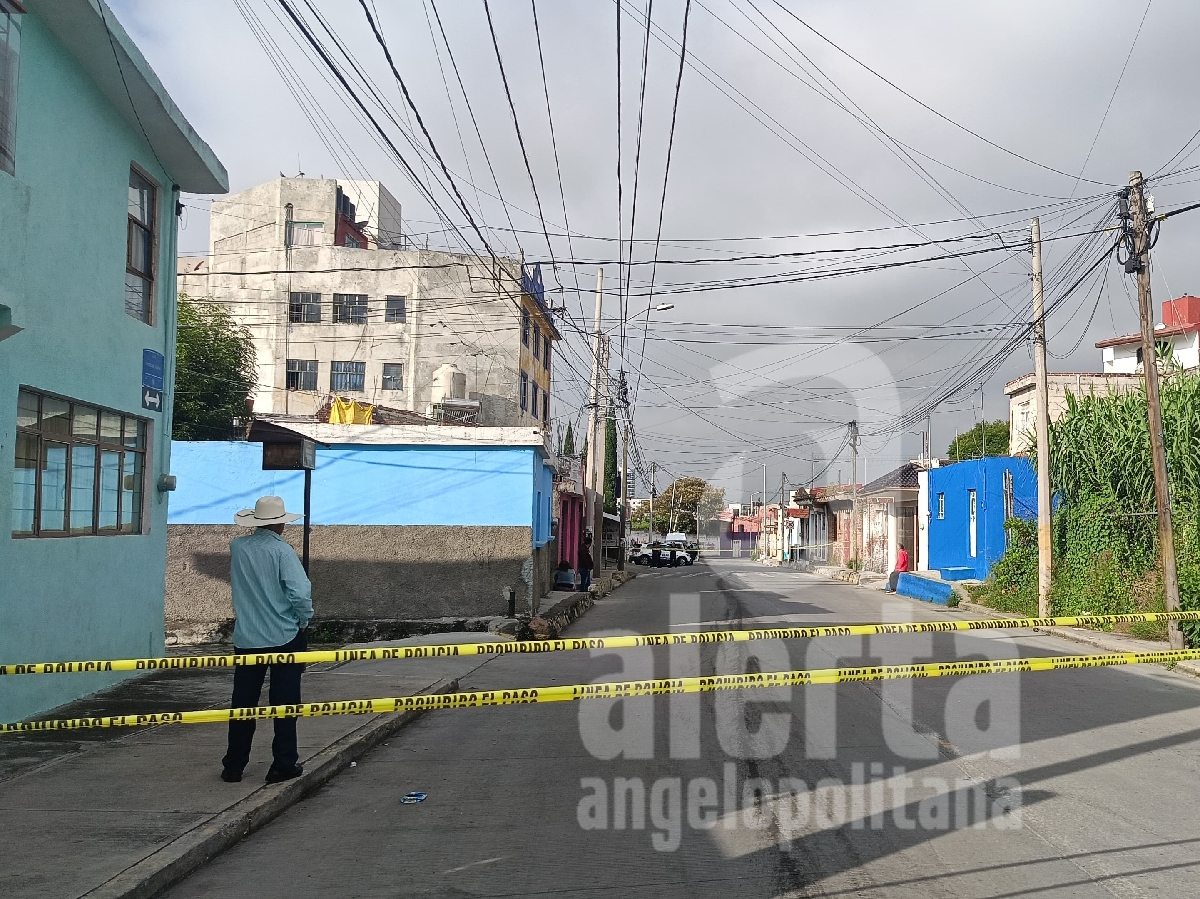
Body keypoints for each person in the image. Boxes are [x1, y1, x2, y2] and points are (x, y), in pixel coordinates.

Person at [221, 495, 313, 784]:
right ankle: (283, 763)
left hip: (247, 636)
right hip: (284, 634)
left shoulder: (238, 547)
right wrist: (304, 619)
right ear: (281, 524)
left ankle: (234, 766)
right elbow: (300, 592)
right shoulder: (282, 552)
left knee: (243, 703)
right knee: (285, 704)